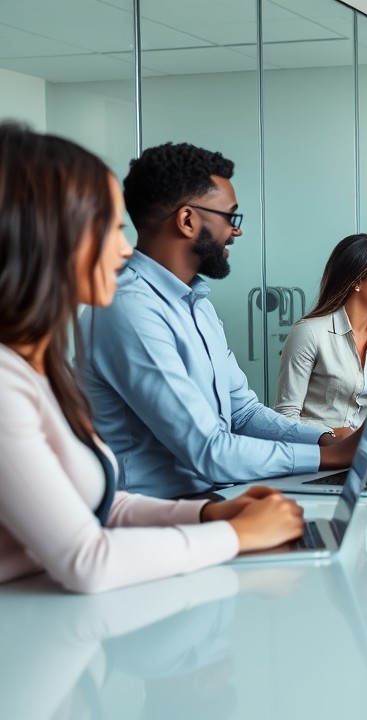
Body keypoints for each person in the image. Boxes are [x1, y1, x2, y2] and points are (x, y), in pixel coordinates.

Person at [0, 123, 303, 593]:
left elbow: (99, 505)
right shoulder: (6, 381)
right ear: (44, 238)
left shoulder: (34, 368)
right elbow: (87, 560)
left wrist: (207, 514)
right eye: (107, 227)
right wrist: (235, 534)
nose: (124, 247)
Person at [78, 141, 366, 500]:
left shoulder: (195, 302)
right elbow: (209, 451)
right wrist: (326, 457)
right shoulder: (128, 308)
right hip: (151, 514)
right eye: (231, 217)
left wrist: (327, 438)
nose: (236, 230)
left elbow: (242, 413)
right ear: (187, 220)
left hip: (214, 496)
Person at [275, 233, 367, 430]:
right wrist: (332, 436)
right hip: (321, 453)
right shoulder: (309, 333)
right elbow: (286, 416)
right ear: (357, 281)